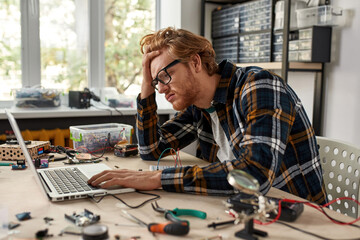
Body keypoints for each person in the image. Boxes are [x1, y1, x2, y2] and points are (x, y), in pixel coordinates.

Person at [88, 27, 327, 204]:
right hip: (245, 207)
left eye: (165, 76)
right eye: (156, 82)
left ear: (194, 62)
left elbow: (255, 176)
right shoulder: (200, 107)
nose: (160, 89)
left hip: (297, 216)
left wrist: (159, 178)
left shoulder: (259, 86)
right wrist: (146, 85)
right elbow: (151, 150)